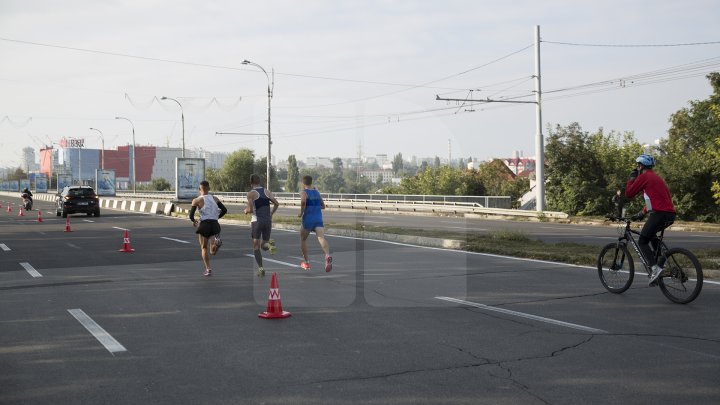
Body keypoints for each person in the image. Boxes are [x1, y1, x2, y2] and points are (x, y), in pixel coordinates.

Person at [625, 154, 676, 286]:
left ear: (640, 166)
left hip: (659, 214)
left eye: (638, 165)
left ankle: (655, 269)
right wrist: (642, 212)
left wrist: (631, 178)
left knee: (642, 241)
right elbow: (654, 198)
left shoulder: (644, 177)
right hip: (670, 215)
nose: (637, 167)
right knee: (651, 235)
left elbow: (629, 193)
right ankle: (659, 261)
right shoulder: (658, 178)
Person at [189, 180, 228, 277]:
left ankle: (208, 269)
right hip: (215, 224)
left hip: (204, 225)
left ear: (199, 189)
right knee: (212, 252)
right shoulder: (215, 198)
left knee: (203, 248)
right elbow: (224, 210)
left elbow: (191, 215)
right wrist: (216, 217)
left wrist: (194, 221)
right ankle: (216, 242)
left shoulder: (196, 200)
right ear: (209, 188)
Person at [244, 174, 279, 277]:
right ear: (259, 182)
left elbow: (250, 209)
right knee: (264, 246)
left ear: (251, 182)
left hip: (257, 221)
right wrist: (271, 214)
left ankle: (261, 268)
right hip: (268, 221)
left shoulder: (251, 194)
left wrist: (245, 210)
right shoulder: (267, 191)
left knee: (256, 247)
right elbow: (276, 203)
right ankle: (269, 245)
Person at [298, 175, 332, 272]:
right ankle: (327, 255)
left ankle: (307, 262)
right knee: (321, 237)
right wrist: (316, 207)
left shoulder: (304, 192)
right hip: (318, 219)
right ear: (311, 182)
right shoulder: (317, 192)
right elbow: (323, 206)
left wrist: (301, 212)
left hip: (308, 219)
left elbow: (303, 202)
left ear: (303, 183)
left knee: (303, 239)